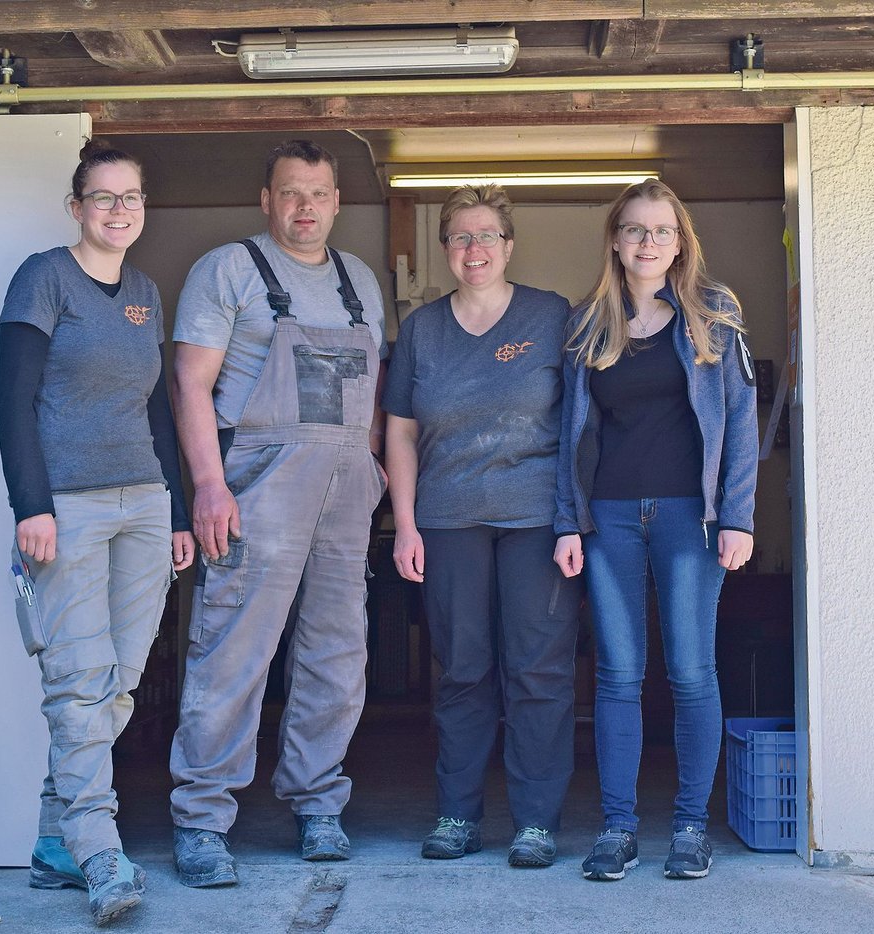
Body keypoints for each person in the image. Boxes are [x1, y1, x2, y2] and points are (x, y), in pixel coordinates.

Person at [167, 140, 387, 887]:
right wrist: (207, 485)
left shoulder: (360, 281)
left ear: (336, 203)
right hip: (257, 478)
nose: (304, 207)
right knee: (234, 649)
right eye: (290, 193)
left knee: (337, 652)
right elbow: (189, 384)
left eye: (318, 194)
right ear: (267, 200)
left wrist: (375, 473)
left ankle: (319, 801)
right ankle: (201, 817)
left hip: (347, 483)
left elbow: (375, 396)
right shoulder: (229, 269)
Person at [0, 142, 196, 925]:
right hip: (68, 506)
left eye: (131, 197)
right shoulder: (43, 277)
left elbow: (156, 410)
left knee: (115, 682)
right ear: (75, 206)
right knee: (78, 679)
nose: (118, 210)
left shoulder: (145, 290)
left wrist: (176, 508)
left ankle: (54, 841)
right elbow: (13, 397)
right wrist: (30, 505)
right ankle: (101, 854)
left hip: (144, 502)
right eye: (103, 197)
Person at [553, 179, 758, 882]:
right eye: (635, 230)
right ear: (615, 239)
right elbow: (568, 438)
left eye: (662, 230)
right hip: (608, 517)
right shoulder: (587, 324)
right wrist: (567, 523)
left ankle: (691, 828)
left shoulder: (713, 313)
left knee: (692, 673)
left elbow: (740, 424)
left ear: (680, 242)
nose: (648, 242)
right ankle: (617, 829)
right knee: (617, 675)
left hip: (689, 520)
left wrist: (738, 516)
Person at [383, 185, 582, 868]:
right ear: (444, 249)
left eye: (487, 236)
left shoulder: (551, 316)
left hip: (536, 521)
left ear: (509, 245)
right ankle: (457, 816)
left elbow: (583, 424)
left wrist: (572, 521)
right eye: (461, 237)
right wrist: (404, 526)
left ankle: (535, 822)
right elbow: (400, 433)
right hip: (446, 520)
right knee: (462, 671)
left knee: (539, 671)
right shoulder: (422, 330)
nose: (475, 249)